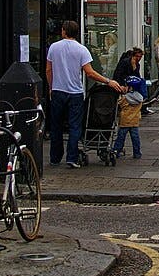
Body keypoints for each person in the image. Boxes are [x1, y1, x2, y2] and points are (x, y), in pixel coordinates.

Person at [47, 20, 124, 169]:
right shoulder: (81, 50)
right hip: (75, 92)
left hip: (58, 90)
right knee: (75, 126)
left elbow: (48, 70)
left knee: (56, 125)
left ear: (63, 31)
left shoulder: (53, 48)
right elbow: (89, 73)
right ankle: (72, 157)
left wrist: (51, 87)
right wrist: (108, 81)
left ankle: (55, 158)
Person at [113, 46, 153, 115]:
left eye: (140, 57)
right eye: (137, 56)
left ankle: (144, 100)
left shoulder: (137, 64)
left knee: (142, 81)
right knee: (142, 82)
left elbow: (137, 76)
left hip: (131, 80)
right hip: (123, 80)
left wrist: (134, 69)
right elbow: (118, 75)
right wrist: (123, 84)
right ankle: (144, 99)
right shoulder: (125, 62)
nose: (138, 58)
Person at [112, 81, 144, 159]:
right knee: (135, 138)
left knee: (121, 137)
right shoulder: (139, 98)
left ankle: (116, 150)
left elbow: (120, 105)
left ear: (131, 88)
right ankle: (137, 153)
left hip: (125, 121)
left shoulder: (125, 98)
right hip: (135, 121)